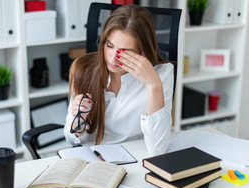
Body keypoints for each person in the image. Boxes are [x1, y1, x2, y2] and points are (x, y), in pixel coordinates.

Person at [63, 4, 174, 155]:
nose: (113, 58)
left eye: (125, 52)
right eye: (109, 46)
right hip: (90, 157)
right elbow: (70, 139)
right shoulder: (83, 69)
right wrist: (80, 118)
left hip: (132, 158)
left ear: (142, 52)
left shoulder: (161, 74)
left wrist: (153, 85)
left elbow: (158, 149)